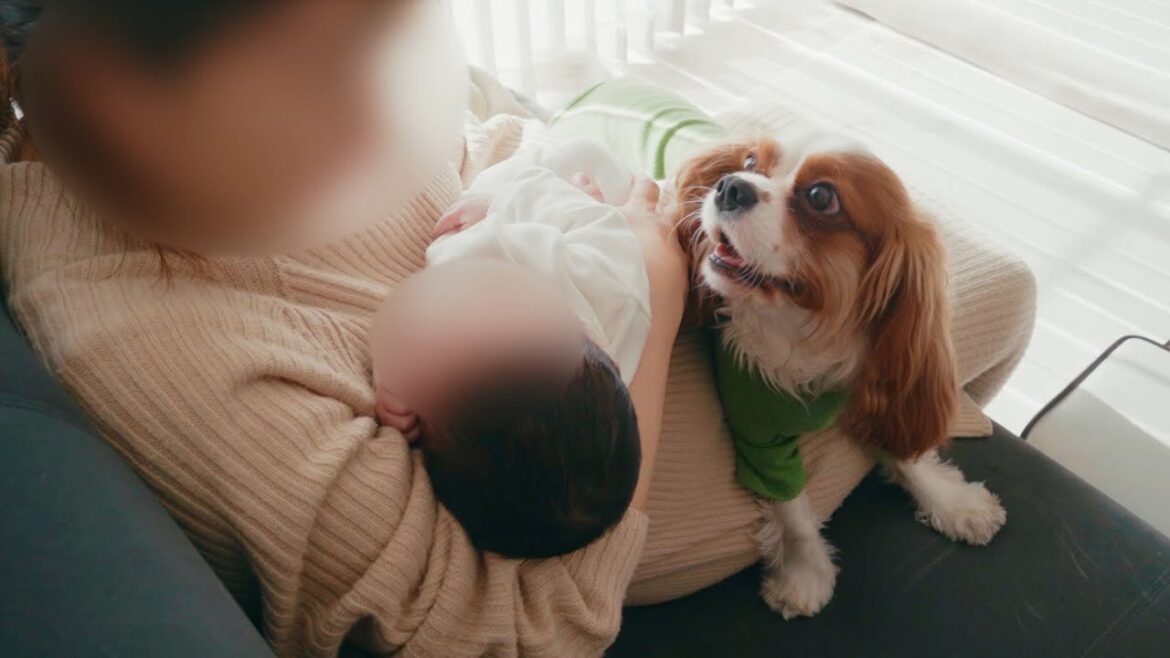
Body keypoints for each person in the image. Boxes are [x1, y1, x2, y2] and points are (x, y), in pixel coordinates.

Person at [0, 1, 1036, 656]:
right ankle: (897, 452)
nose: (370, 102)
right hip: (613, 494)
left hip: (591, 282)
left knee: (960, 286)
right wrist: (656, 284)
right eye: (324, 70)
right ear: (118, 90)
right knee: (987, 292)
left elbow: (465, 142)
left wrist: (592, 193)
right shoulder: (154, 339)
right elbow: (516, 631)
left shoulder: (225, 150)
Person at [370, 140, 657, 559]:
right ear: (594, 343)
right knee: (581, 164)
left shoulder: (435, 365)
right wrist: (499, 203)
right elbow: (588, 220)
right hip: (566, 214)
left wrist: (390, 377)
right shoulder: (608, 288)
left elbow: (395, 330)